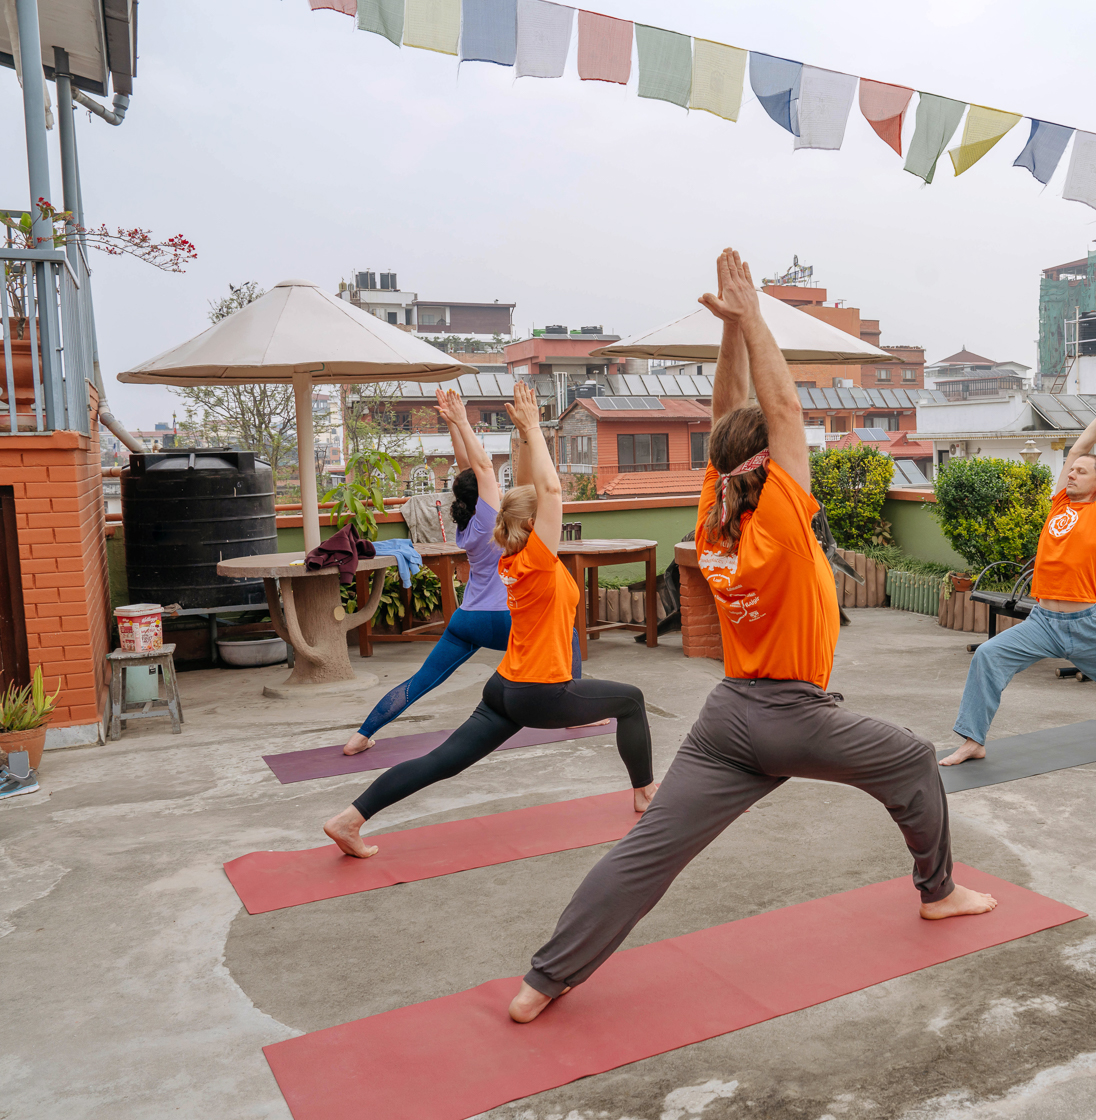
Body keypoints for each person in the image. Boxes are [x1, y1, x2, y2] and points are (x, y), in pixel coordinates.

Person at [505, 249, 998, 1024]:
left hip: (726, 719)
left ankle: (544, 980)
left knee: (647, 854)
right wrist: (756, 319)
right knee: (911, 758)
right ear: (774, 464)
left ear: (727, 465)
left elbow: (725, 415)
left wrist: (733, 329)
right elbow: (783, 410)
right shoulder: (780, 521)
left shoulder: (715, 514)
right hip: (793, 716)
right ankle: (937, 892)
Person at [323, 382, 656, 859]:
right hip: (540, 692)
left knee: (442, 761)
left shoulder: (511, 556)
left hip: (504, 688)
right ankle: (644, 792)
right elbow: (550, 488)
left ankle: (349, 819)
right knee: (633, 700)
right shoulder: (538, 561)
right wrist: (534, 428)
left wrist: (523, 436)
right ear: (535, 526)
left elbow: (527, 489)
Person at [940, 376, 1096, 767]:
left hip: (1086, 624)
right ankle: (973, 740)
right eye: (1072, 471)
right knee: (988, 656)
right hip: (1043, 621)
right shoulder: (1060, 504)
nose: (1072, 473)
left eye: (1081, 472)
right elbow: (1079, 448)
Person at [342, 389, 592, 758]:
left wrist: (454, 426)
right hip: (507, 620)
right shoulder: (499, 520)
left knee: (421, 681)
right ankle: (577, 715)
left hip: (468, 618)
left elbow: (470, 470)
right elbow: (484, 468)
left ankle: (361, 735)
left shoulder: (470, 523)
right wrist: (461, 420)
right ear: (486, 494)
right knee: (568, 635)